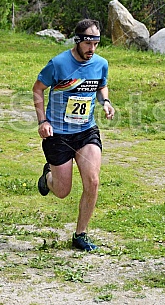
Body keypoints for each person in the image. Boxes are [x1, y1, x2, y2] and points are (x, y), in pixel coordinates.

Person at [32, 18, 115, 251]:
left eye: (96, 43)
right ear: (77, 41)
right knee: (62, 191)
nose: (92, 49)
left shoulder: (100, 63)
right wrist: (43, 121)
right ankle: (48, 177)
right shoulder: (58, 64)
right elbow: (38, 89)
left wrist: (105, 102)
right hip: (58, 135)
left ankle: (80, 234)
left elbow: (101, 85)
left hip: (86, 131)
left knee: (93, 180)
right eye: (88, 43)